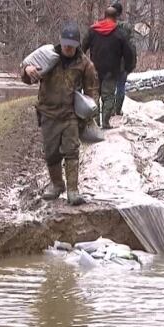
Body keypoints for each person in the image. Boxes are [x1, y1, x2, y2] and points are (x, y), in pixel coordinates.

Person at [21, 23, 99, 206]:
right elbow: (26, 78)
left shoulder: (85, 64)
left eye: (72, 45)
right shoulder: (48, 56)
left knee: (71, 151)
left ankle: (73, 190)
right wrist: (27, 71)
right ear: (61, 42)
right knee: (51, 153)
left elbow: (92, 89)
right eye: (65, 45)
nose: (68, 48)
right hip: (48, 112)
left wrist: (89, 111)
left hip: (71, 114)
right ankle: (57, 185)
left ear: (78, 45)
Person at [81, 7, 136, 129]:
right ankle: (105, 122)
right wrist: (128, 67)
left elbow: (82, 47)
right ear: (116, 17)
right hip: (112, 70)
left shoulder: (93, 30)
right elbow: (128, 52)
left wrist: (82, 63)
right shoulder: (119, 33)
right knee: (109, 96)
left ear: (104, 15)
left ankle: (95, 123)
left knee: (94, 95)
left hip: (94, 68)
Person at [110, 2, 136, 116]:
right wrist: (132, 63)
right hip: (123, 63)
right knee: (121, 87)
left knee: (109, 89)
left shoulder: (106, 26)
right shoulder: (127, 27)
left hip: (109, 62)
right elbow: (132, 47)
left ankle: (108, 111)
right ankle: (117, 110)